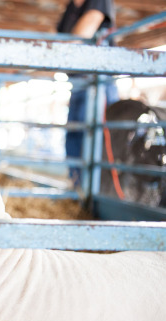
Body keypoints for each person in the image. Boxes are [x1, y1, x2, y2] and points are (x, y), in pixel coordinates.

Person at [57, 0, 120, 186]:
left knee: (99, 140)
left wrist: (64, 50)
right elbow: (62, 40)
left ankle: (100, 192)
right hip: (78, 83)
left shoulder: (99, 1)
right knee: (75, 137)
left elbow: (83, 32)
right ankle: (78, 190)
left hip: (98, 81)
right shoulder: (70, 8)